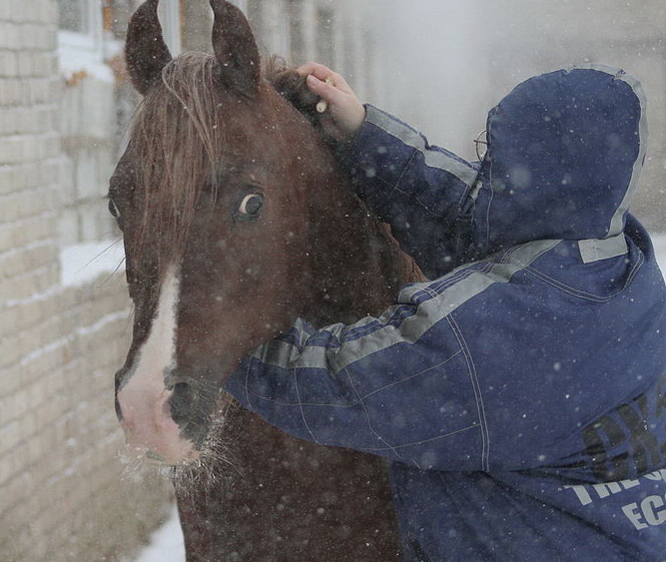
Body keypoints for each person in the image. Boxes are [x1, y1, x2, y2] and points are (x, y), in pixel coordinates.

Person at [224, 62, 666, 560]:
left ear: (538, 179)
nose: (487, 175)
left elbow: (330, 384)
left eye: (498, 160)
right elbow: (469, 220)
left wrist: (211, 338)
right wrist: (363, 134)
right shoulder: (618, 264)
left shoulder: (495, 340)